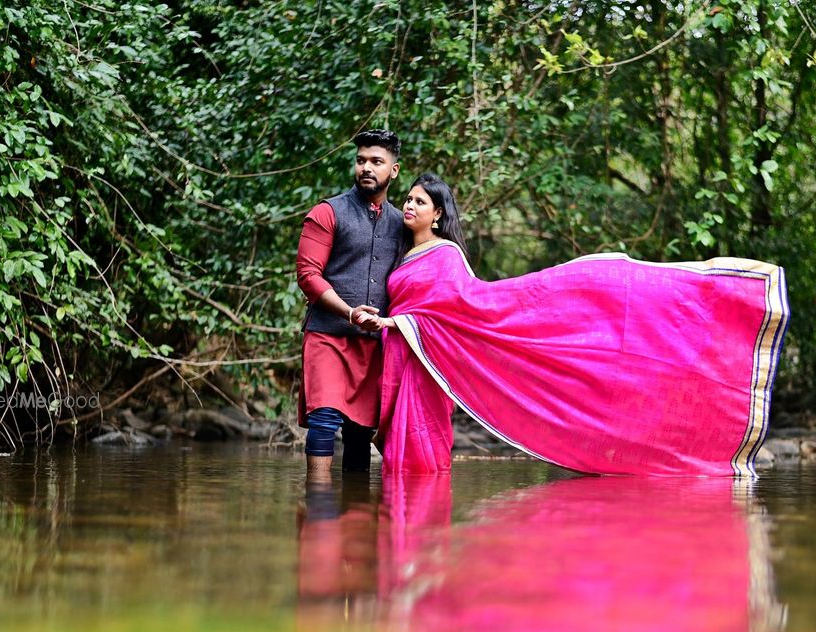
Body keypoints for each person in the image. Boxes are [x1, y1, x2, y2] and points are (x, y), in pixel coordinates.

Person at [364, 173, 791, 477]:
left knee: (420, 452)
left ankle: (417, 531)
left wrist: (395, 321)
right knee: (399, 459)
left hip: (427, 360)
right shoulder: (401, 255)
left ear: (437, 214)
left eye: (420, 201)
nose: (410, 205)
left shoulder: (447, 256)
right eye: (410, 199)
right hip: (405, 358)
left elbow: (460, 308)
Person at [296, 129, 404, 482]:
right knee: (324, 419)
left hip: (373, 344)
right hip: (327, 334)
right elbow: (307, 275)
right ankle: (319, 505)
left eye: (376, 162)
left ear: (394, 170)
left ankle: (356, 520)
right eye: (361, 161)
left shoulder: (401, 224)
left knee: (360, 430)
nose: (366, 168)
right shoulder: (327, 212)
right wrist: (348, 311)